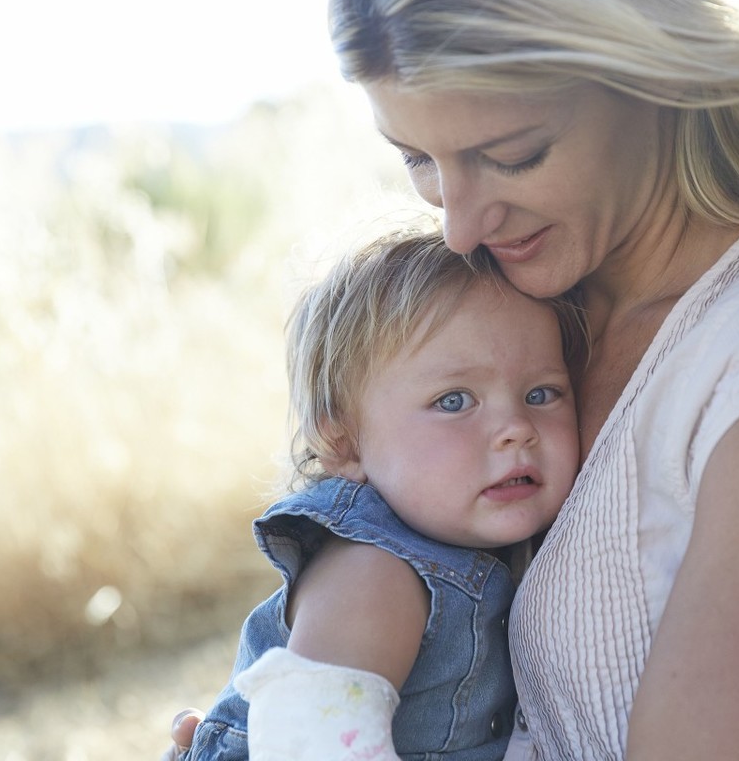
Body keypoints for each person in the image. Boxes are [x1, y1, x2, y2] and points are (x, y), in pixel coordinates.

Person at [170, 0, 739, 758]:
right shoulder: (514, 320)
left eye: (512, 154)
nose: (458, 222)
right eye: (416, 157)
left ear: (644, 77)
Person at [183, 228, 586, 759]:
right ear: (345, 443)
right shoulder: (372, 571)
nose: (515, 427)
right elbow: (312, 746)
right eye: (454, 401)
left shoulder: (479, 548)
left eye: (541, 393)